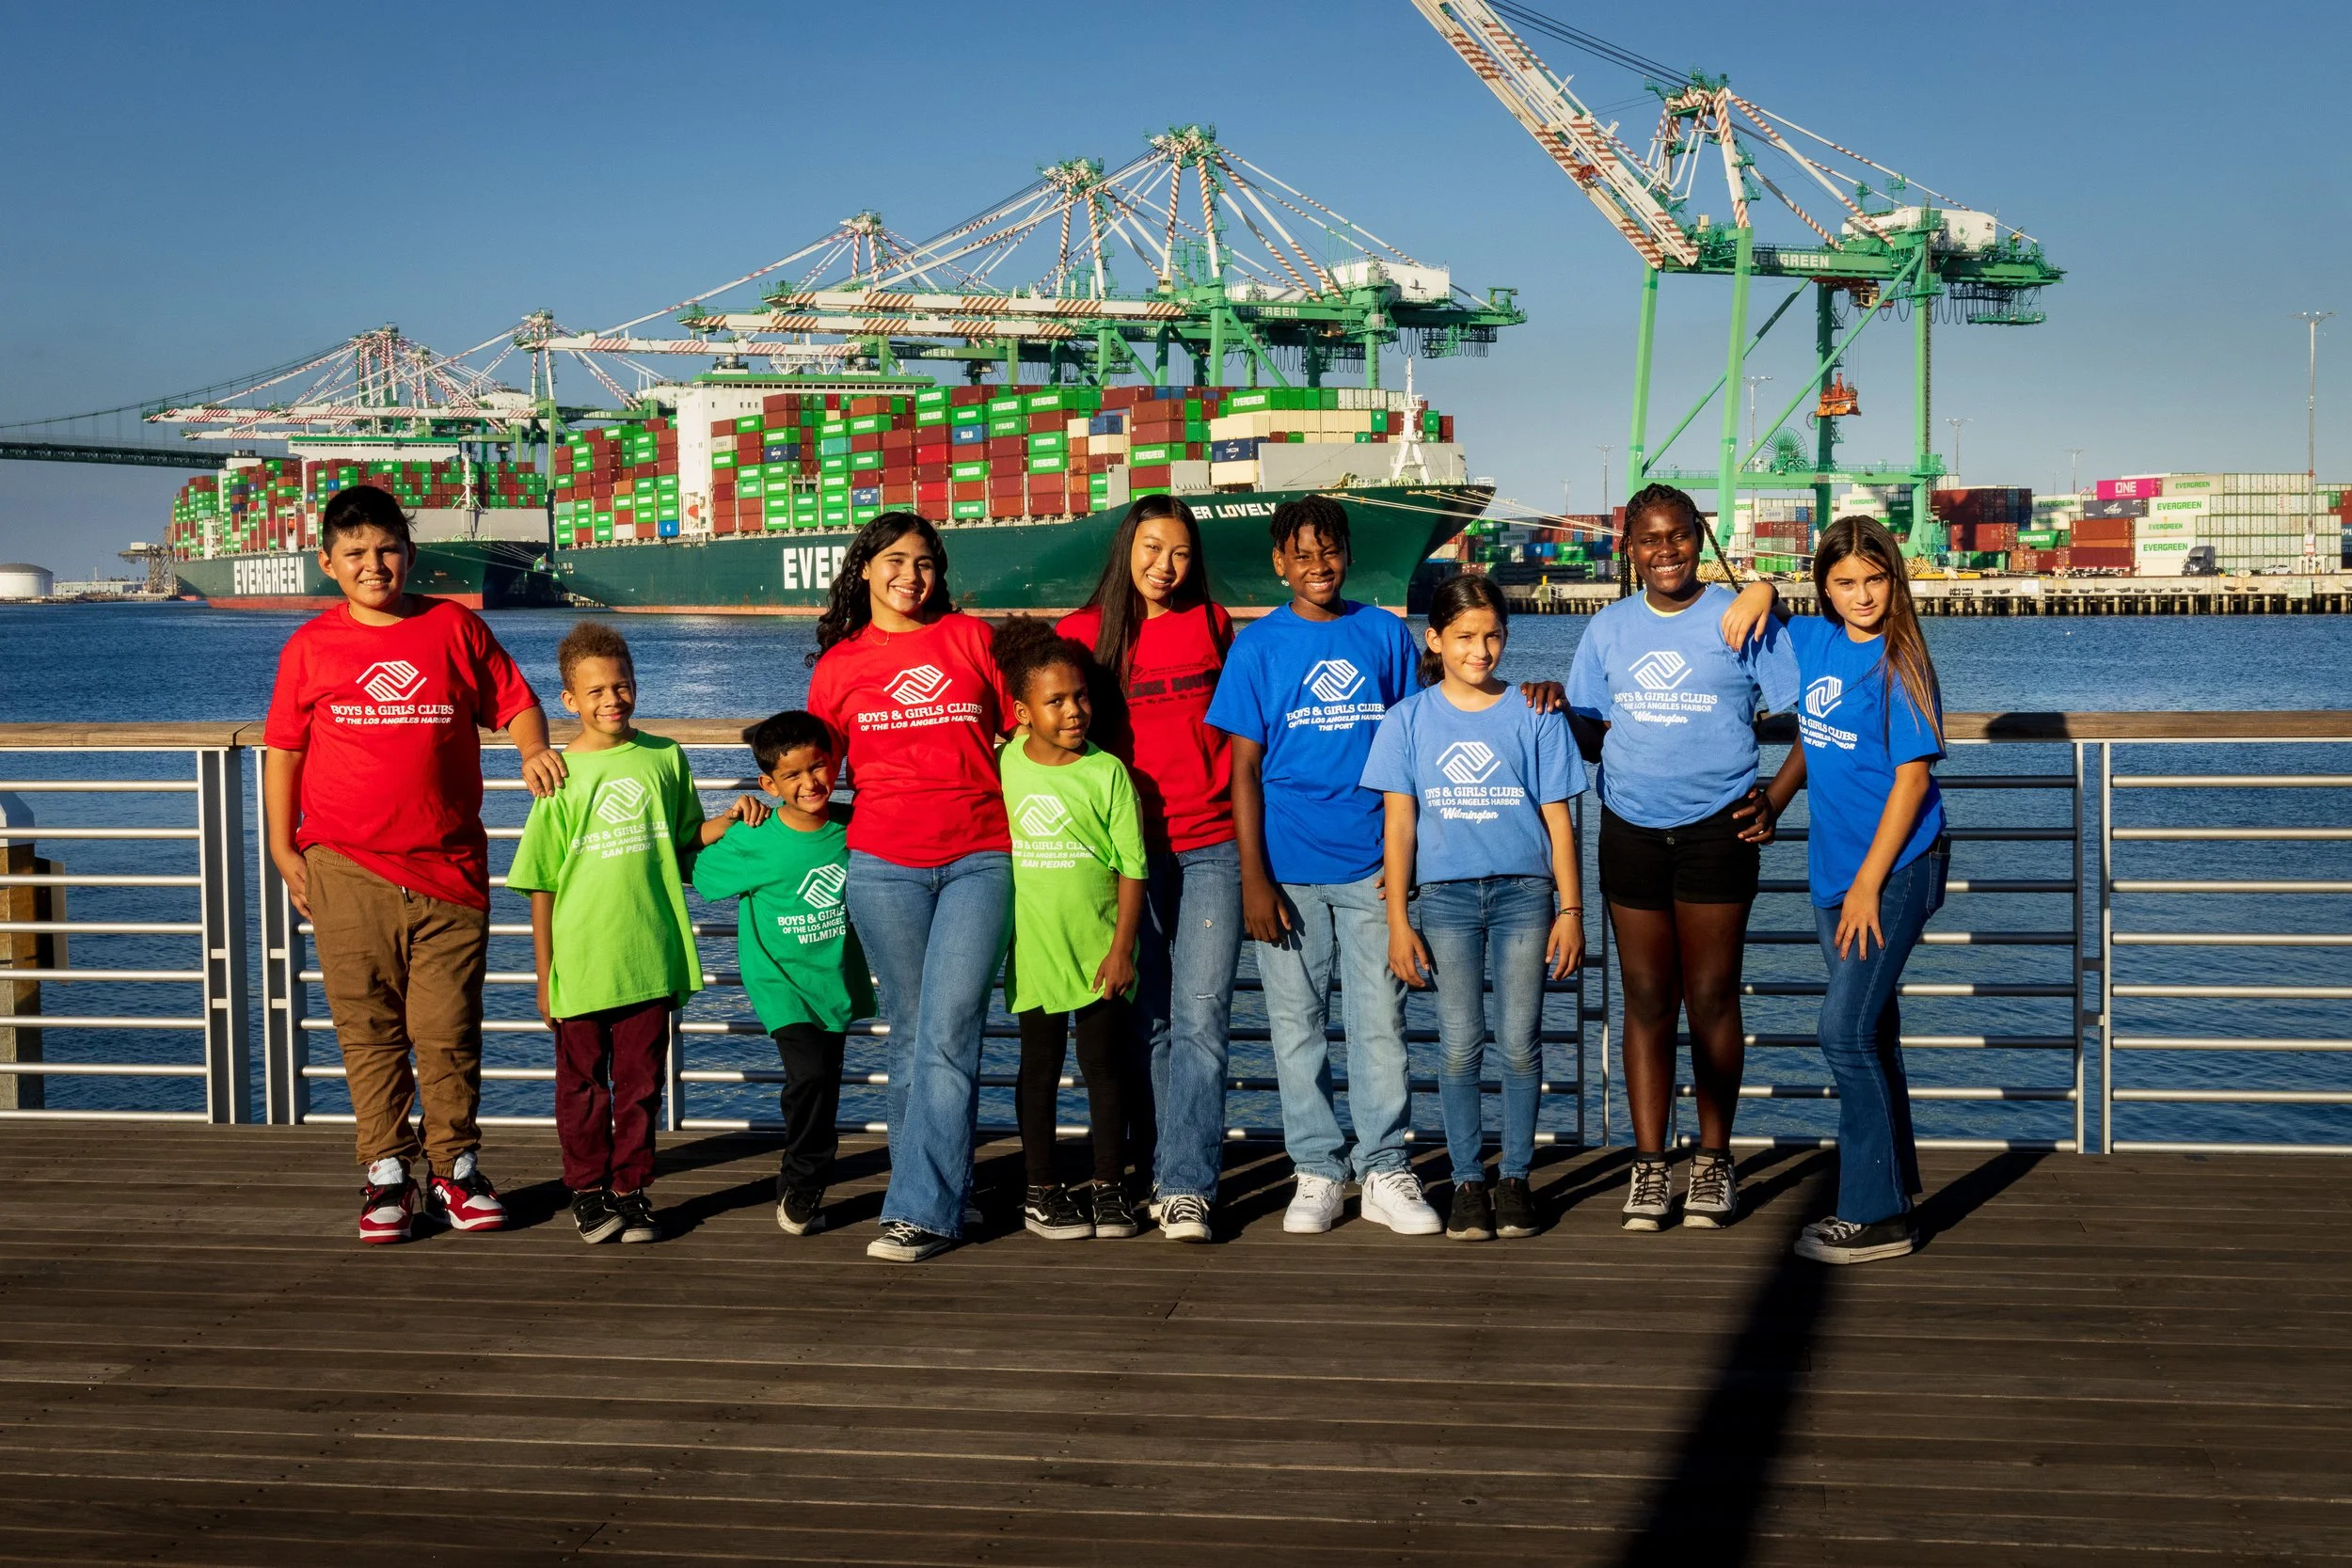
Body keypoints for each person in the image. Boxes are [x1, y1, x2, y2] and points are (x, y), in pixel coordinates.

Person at [262, 483, 563, 1245]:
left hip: (450, 868)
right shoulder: (310, 647)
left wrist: (532, 748)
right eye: (356, 553)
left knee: (447, 1030)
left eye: (387, 548)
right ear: (328, 563)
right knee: (366, 1029)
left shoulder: (451, 626)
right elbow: (285, 751)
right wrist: (280, 844)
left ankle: (456, 1168)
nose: (375, 564)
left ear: (410, 551)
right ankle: (387, 1170)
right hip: (345, 866)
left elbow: (517, 703)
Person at [1565, 483, 1794, 1232]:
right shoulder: (1606, 629)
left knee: (1713, 995)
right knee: (1646, 998)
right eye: (1649, 539)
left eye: (1678, 535)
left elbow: (1812, 715)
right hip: (1629, 827)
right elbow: (1588, 727)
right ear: (1628, 548)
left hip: (1717, 831)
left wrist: (1777, 798)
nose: (1665, 551)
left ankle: (1715, 1161)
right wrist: (1542, 704)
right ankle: (1649, 1166)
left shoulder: (1740, 617)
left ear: (1699, 535)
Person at [508, 622, 766, 1245]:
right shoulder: (559, 776)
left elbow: (681, 843)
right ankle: (588, 1191)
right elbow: (541, 882)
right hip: (582, 960)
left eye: (621, 684)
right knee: (582, 1087)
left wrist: (728, 819)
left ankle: (630, 1189)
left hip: (650, 954)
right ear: (569, 699)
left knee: (642, 1085)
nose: (611, 699)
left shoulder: (664, 755)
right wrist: (545, 975)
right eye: (595, 690)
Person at [1733, 516, 1947, 1265]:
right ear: (1826, 586)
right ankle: (1894, 1187)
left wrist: (1867, 886)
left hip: (1893, 870)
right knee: (1872, 1031)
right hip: (1833, 868)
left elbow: (1912, 779)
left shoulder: (1901, 663)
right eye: (1846, 582)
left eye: (1875, 579)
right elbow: (1809, 733)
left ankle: (1875, 1215)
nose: (1862, 595)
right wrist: (1778, 799)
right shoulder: (1819, 643)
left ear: (1896, 580)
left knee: (1843, 1031)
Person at [805, 512, 1017, 1264]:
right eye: (895, 560)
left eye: (925, 563)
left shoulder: (973, 639)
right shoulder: (838, 667)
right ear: (864, 569)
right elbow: (814, 773)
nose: (911, 576)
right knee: (914, 1034)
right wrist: (753, 813)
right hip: (883, 866)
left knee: (950, 1028)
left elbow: (1027, 731)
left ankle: (920, 1210)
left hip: (981, 857)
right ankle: (943, 1195)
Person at [1364, 575, 1587, 1242]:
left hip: (1526, 894)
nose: (1480, 648)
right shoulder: (1407, 719)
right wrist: (1399, 921)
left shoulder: (1534, 713)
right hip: (1445, 899)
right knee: (1460, 1045)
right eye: (1464, 636)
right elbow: (1398, 826)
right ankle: (1467, 1179)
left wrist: (1571, 910)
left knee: (1519, 1043)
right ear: (1434, 639)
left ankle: (1515, 1177)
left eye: (1492, 634)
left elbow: (1559, 823)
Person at [1057, 496, 1237, 1243]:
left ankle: (1187, 1183)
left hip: (1212, 845)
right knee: (1150, 1023)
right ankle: (1159, 1168)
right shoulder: (1078, 634)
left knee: (1201, 1016)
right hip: (1122, 854)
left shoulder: (1214, 623)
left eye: (1182, 553)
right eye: (1152, 548)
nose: (1165, 566)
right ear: (1127, 546)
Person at [690, 710, 876, 1238]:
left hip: (834, 981)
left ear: (833, 764)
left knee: (824, 1085)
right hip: (780, 986)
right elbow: (697, 872)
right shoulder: (757, 839)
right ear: (768, 785)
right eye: (791, 776)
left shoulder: (852, 827)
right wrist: (725, 822)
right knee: (809, 1077)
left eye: (817, 768)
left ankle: (808, 1177)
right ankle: (802, 1181)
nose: (809, 782)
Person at [993, 617, 1151, 1242]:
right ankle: (1041, 1189)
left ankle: (1110, 1186)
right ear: (1022, 711)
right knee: (1038, 1069)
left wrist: (1121, 951)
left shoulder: (1106, 771)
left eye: (1080, 696)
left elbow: (1132, 868)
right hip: (1033, 952)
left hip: (1099, 951)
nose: (1073, 710)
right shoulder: (1003, 764)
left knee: (1104, 1069)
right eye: (1054, 700)